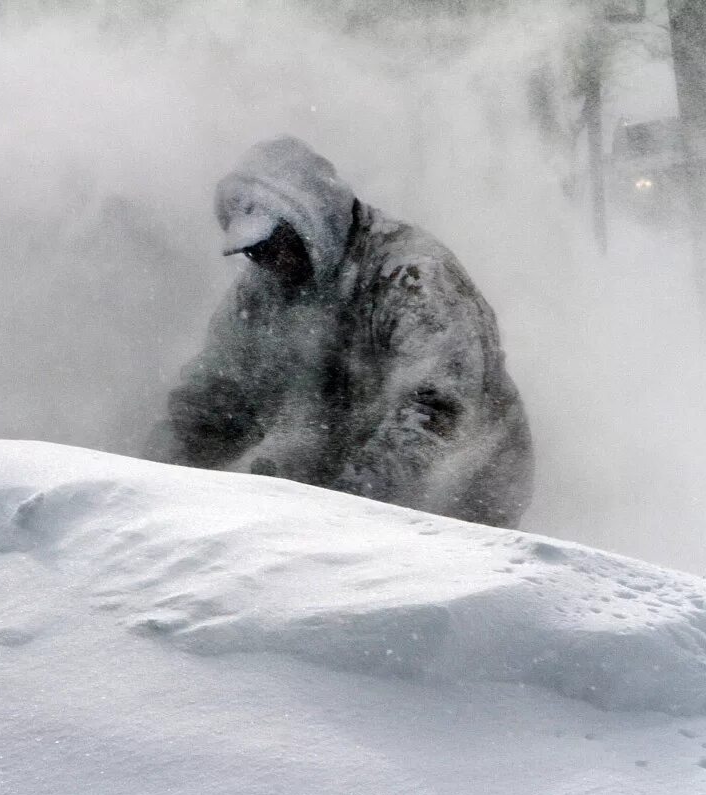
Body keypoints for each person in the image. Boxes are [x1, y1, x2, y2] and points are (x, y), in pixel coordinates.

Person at [147, 136, 533, 528]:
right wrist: (157, 479)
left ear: (309, 221)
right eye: (252, 251)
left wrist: (350, 507)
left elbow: (438, 410)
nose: (263, 260)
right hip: (339, 487)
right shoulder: (265, 290)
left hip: (461, 502)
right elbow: (214, 392)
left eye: (272, 244)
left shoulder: (411, 275)